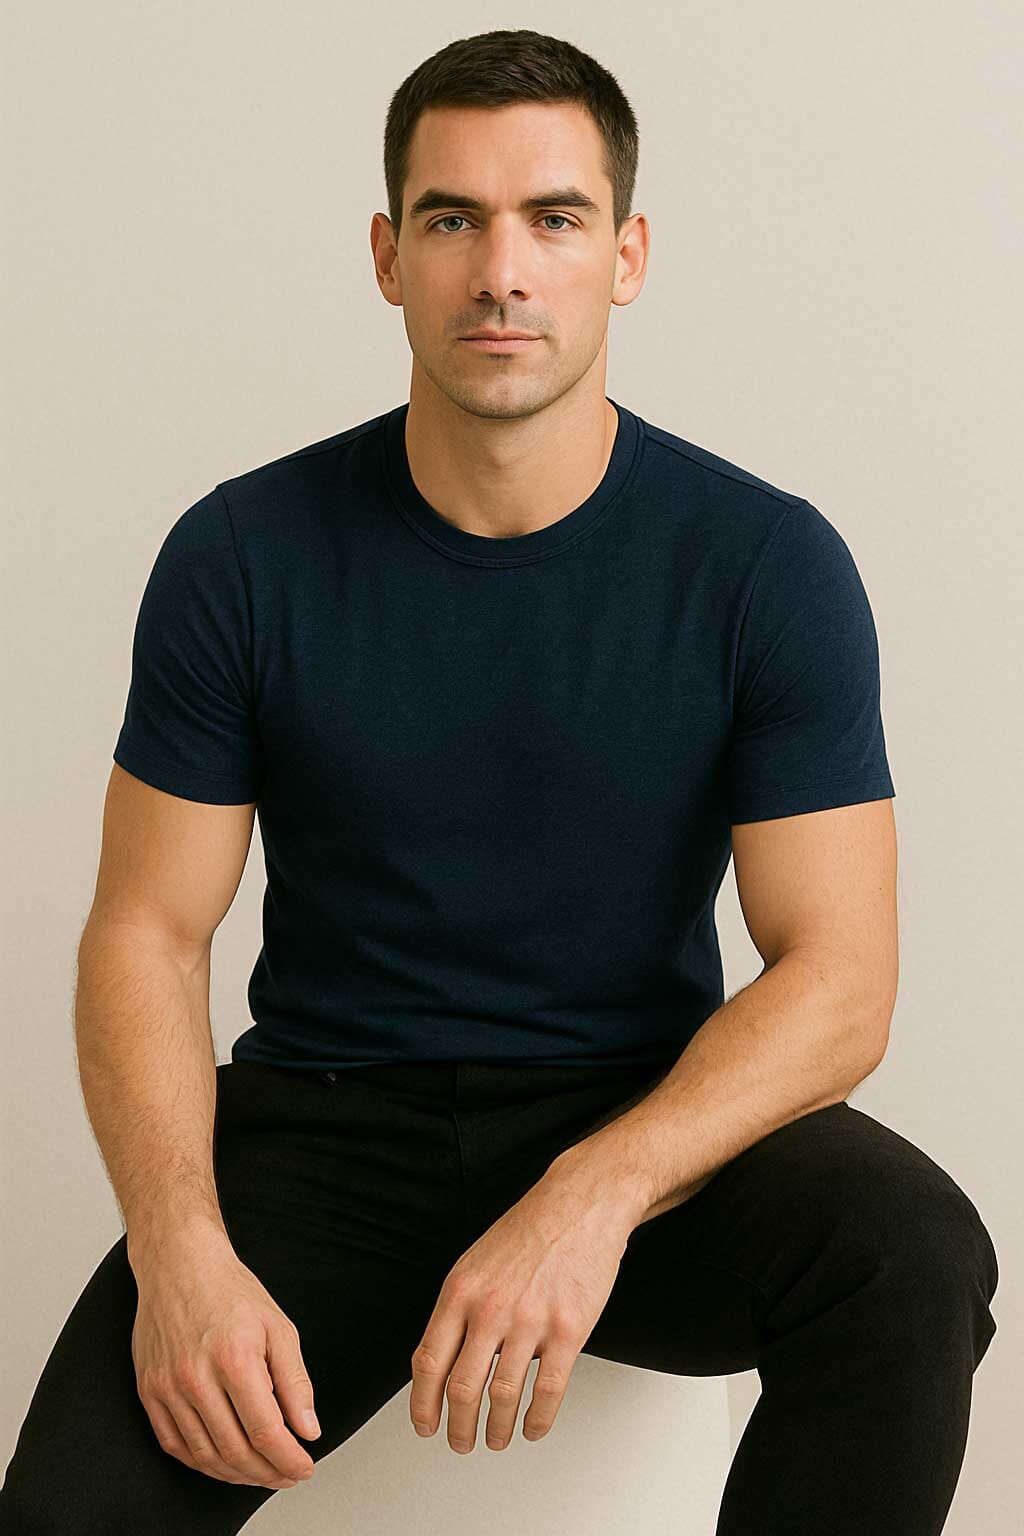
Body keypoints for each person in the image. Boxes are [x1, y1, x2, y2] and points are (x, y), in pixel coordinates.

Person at [0, 27, 998, 1536]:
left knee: (910, 1260)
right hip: (323, 1133)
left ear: (627, 256)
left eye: (556, 218)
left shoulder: (763, 565)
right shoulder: (242, 555)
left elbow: (843, 978)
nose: (502, 272)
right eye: (454, 218)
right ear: (389, 256)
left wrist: (595, 1193)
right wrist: (179, 1252)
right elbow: (147, 930)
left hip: (634, 1126)